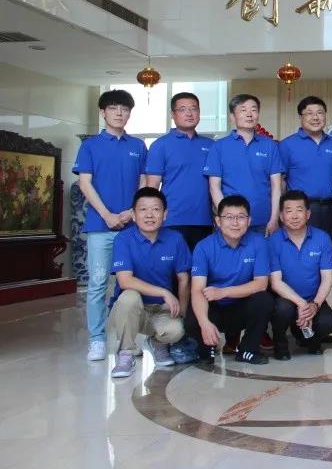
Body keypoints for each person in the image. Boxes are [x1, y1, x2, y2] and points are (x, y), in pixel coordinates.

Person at [74, 88, 148, 363]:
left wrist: (131, 212)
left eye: (124, 109)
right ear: (103, 112)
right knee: (97, 284)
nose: (119, 113)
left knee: (130, 286)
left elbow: (144, 182)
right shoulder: (90, 146)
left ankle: (128, 340)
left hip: (131, 227)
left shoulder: (138, 146)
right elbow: (84, 183)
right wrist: (107, 215)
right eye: (114, 108)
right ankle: (97, 339)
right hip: (100, 226)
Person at [108, 187, 190, 378]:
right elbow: (125, 280)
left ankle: (157, 343)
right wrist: (164, 292)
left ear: (165, 214)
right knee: (129, 297)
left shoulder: (175, 239)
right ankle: (125, 353)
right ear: (133, 215)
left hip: (161, 310)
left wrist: (182, 313)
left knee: (177, 331)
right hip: (130, 310)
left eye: (156, 209)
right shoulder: (123, 239)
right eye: (143, 209)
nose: (149, 215)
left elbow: (183, 279)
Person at [186, 195, 274, 365]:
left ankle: (247, 350)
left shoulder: (258, 243)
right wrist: (204, 323)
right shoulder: (204, 247)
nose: (235, 223)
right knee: (193, 318)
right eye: (228, 217)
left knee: (264, 300)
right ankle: (207, 348)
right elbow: (197, 289)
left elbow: (261, 284)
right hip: (214, 307)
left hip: (241, 306)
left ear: (249, 221)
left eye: (241, 217)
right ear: (218, 221)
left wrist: (223, 292)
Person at [267, 190, 332, 359]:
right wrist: (302, 304)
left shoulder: (322, 238)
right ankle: (280, 342)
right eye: (288, 211)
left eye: (299, 210)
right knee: (282, 309)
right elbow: (276, 283)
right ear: (281, 216)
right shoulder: (273, 241)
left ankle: (308, 338)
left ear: (308, 214)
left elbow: (327, 278)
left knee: (328, 321)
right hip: (285, 299)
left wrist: (315, 304)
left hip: (312, 298)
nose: (294, 216)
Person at [204, 94, 283, 235]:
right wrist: (226, 217)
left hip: (263, 220)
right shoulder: (219, 147)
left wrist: (274, 218)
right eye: (243, 110)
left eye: (253, 110)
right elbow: (214, 187)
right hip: (232, 222)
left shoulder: (270, 145)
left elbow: (277, 186)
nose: (249, 114)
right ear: (232, 117)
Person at [146, 91, 214, 251]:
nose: (189, 113)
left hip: (205, 220)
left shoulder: (211, 145)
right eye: (183, 109)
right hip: (171, 220)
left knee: (201, 266)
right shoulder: (160, 145)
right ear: (173, 114)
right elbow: (152, 187)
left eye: (194, 108)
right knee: (173, 266)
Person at [278, 96, 332, 239]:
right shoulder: (287, 145)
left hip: (328, 208)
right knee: (298, 248)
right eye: (309, 113)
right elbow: (281, 180)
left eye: (320, 113)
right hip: (299, 209)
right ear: (300, 117)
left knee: (325, 246)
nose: (315, 117)